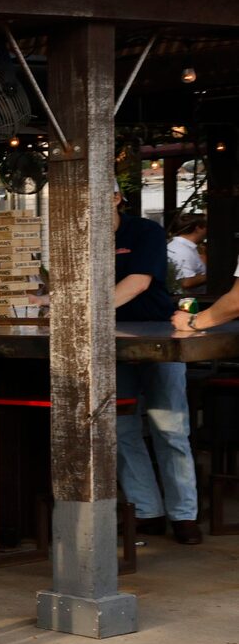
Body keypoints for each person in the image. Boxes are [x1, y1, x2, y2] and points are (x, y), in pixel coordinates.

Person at [115, 189, 200, 544]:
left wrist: (82, 312)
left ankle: (185, 514)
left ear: (116, 196)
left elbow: (139, 282)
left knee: (170, 427)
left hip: (160, 336)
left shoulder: (144, 231)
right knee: (121, 428)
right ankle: (146, 509)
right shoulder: (79, 233)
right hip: (111, 342)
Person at [168, 212, 208, 298]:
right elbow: (186, 281)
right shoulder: (182, 250)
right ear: (198, 229)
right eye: (205, 227)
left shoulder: (187, 247)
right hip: (184, 301)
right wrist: (212, 275)